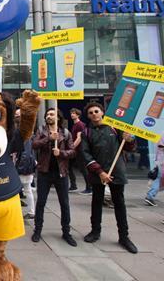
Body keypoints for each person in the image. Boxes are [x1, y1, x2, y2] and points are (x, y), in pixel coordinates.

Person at [80, 101, 138, 254]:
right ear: (88, 116)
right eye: (91, 112)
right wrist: (100, 172)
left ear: (102, 112)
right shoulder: (86, 132)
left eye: (96, 111)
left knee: (119, 204)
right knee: (96, 202)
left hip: (117, 171)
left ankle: (124, 237)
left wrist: (130, 140)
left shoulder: (115, 127)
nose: (94, 114)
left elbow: (128, 147)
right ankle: (95, 231)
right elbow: (86, 154)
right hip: (97, 173)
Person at [31, 108, 77, 246]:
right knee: (40, 203)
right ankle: (37, 230)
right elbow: (34, 145)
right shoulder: (41, 130)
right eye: (47, 115)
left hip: (61, 173)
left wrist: (61, 153)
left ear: (58, 118)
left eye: (52, 114)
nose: (49, 117)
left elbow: (73, 151)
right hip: (44, 172)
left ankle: (66, 232)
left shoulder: (66, 133)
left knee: (64, 203)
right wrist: (48, 138)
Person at [13, 109, 36, 219]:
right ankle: (30, 211)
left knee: (24, 189)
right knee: (26, 189)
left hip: (23, 167)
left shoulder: (24, 132)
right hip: (23, 165)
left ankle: (30, 211)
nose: (16, 116)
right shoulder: (21, 130)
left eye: (18, 115)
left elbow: (25, 153)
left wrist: (19, 168)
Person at [68, 108, 92, 195]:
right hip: (76, 150)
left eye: (74, 113)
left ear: (78, 115)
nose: (72, 114)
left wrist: (72, 147)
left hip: (80, 150)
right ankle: (73, 185)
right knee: (69, 166)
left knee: (83, 169)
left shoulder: (80, 125)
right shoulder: (75, 125)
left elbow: (79, 138)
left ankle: (89, 188)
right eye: (71, 113)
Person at [144, 133, 164, 207]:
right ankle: (150, 196)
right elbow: (161, 146)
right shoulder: (162, 135)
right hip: (161, 162)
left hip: (160, 161)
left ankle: (150, 195)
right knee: (158, 179)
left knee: (158, 179)